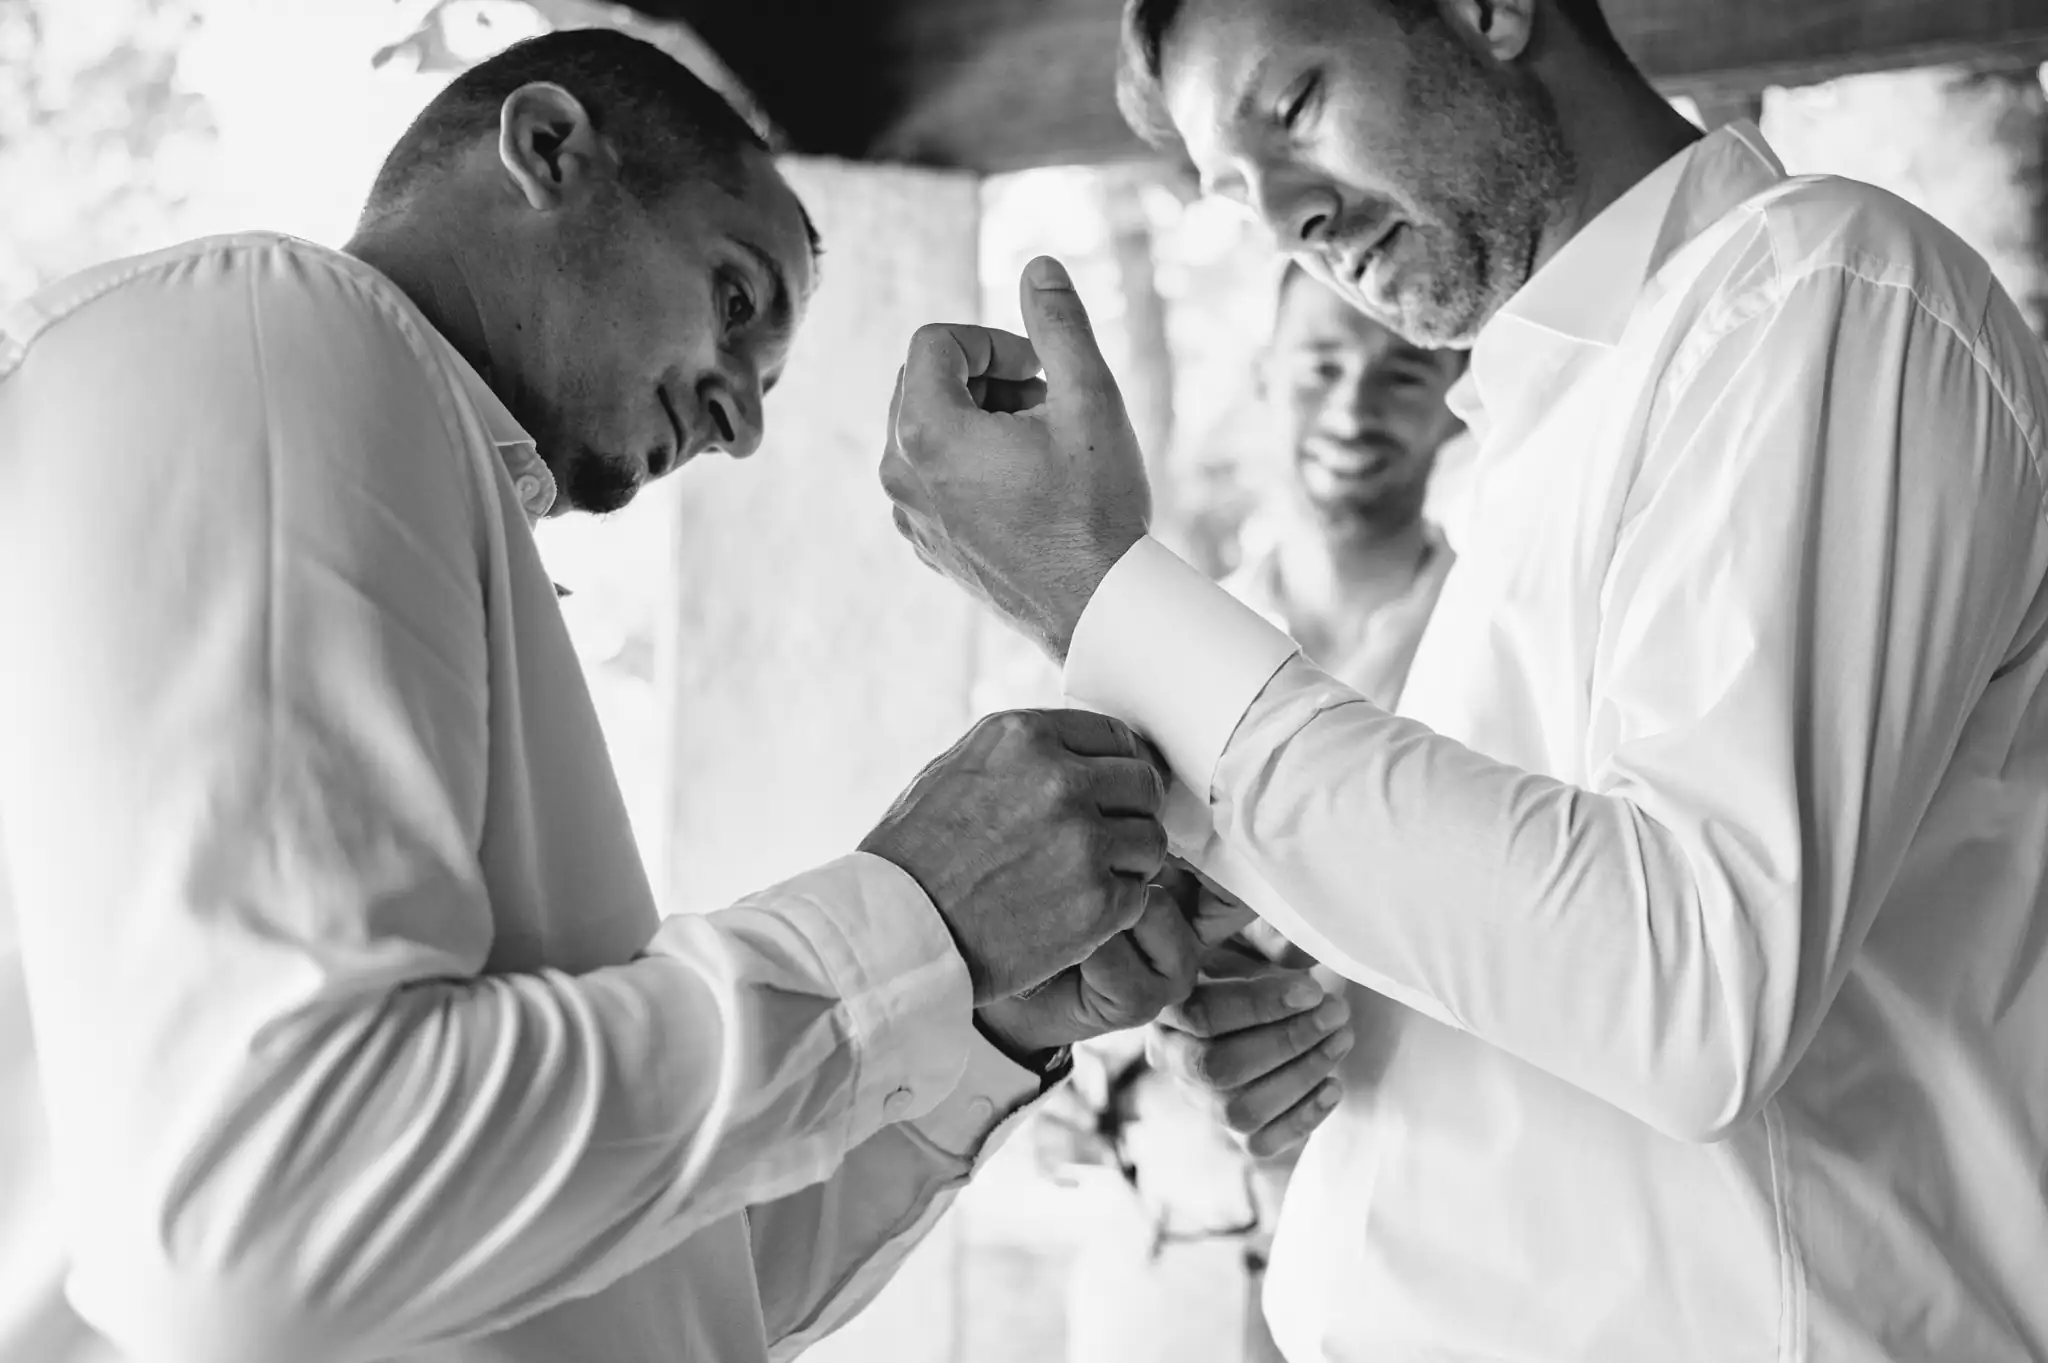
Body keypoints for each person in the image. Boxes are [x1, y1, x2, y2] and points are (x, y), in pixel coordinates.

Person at [0, 29, 1202, 1363]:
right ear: (549, 148)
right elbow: (272, 1210)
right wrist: (916, 915)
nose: (740, 423)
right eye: (736, 304)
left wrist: (987, 1011)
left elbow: (658, 1281)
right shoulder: (272, 332)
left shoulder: (415, 496)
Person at [879, 0, 2048, 1357]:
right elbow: (1558, 955)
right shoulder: (1532, 443)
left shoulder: (1824, 293)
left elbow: (1692, 987)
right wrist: (1336, 1035)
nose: (1287, 219)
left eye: (1297, 107)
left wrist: (1096, 591)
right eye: (1240, 191)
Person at [1047, 258, 1468, 1363]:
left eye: (1402, 374)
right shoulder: (1159, 659)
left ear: (1458, 392)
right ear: (1264, 375)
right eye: (1322, 363)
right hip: (1171, 1257)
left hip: (1426, 1251)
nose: (1352, 407)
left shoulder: (1501, 663)